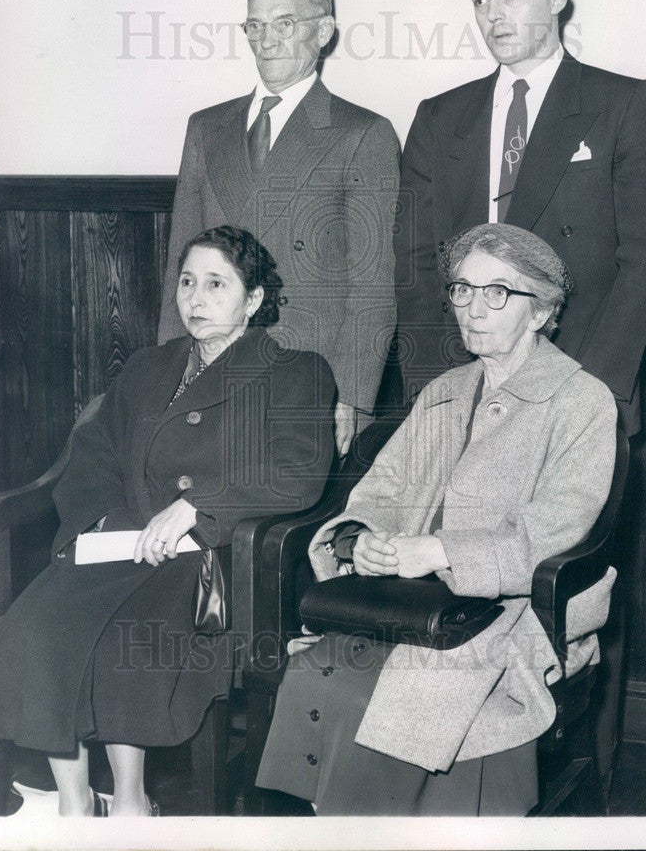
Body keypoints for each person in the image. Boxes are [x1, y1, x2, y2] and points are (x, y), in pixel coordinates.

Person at [0, 226, 335, 816]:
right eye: (188, 282)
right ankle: (75, 802)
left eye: (218, 284)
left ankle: (133, 802)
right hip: (121, 542)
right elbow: (93, 456)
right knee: (31, 632)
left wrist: (199, 506)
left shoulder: (293, 372)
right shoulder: (148, 366)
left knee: (125, 646)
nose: (197, 298)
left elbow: (299, 473)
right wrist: (107, 524)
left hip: (210, 560)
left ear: (256, 300)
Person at [256, 223, 618, 815]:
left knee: (410, 694)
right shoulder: (445, 392)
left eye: (498, 292)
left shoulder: (581, 401)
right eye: (462, 290)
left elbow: (560, 529)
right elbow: (386, 489)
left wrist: (444, 551)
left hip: (521, 612)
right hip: (412, 603)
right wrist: (361, 540)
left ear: (541, 311)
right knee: (324, 668)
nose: (473, 309)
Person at [394, 0, 646, 438]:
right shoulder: (438, 117)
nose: (493, 15)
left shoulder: (622, 102)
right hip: (462, 386)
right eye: (480, 0)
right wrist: (430, 388)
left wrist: (590, 392)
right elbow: (414, 262)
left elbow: (645, 260)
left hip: (577, 377)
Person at [159, 0, 400, 456]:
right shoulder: (207, 128)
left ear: (323, 31)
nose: (266, 39)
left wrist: (352, 396)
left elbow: (373, 284)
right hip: (210, 364)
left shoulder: (363, 133)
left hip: (305, 374)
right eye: (255, 25)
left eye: (284, 23)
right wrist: (169, 369)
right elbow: (178, 270)